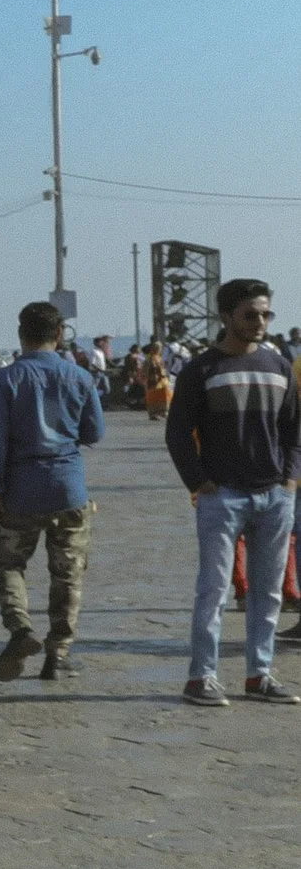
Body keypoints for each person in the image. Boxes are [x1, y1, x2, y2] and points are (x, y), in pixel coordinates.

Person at [166, 278, 301, 706]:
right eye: (250, 314)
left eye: (265, 314)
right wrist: (199, 480)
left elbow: (294, 429)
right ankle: (201, 677)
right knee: (214, 590)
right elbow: (177, 433)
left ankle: (259, 674)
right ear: (226, 317)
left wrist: (291, 479)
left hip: (275, 495)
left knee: (270, 591)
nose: (259, 322)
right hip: (221, 495)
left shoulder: (279, 366)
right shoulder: (201, 370)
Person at [0, 300, 104, 683]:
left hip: (21, 490)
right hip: (68, 488)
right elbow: (94, 433)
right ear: (59, 334)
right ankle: (58, 654)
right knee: (68, 573)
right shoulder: (79, 376)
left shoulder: (6, 378)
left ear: (21, 334)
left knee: (8, 562)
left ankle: (20, 629)